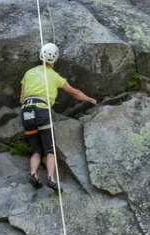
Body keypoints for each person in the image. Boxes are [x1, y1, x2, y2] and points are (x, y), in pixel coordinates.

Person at [20, 42, 97, 190]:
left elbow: (21, 99)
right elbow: (75, 93)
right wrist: (90, 99)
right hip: (42, 110)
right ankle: (51, 177)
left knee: (36, 149)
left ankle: (34, 173)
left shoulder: (28, 73)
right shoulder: (56, 77)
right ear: (55, 60)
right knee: (50, 149)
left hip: (27, 112)